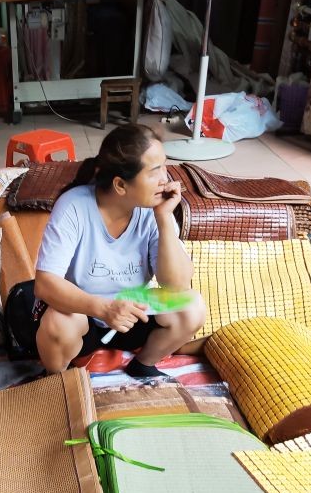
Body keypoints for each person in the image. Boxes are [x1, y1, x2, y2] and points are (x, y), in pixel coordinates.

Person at [32, 123, 206, 377]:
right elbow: (45, 285)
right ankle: (57, 378)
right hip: (85, 315)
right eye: (154, 171)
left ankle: (143, 364)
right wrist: (103, 309)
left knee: (192, 306)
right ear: (120, 185)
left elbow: (178, 285)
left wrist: (165, 219)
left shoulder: (152, 210)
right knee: (58, 323)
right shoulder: (74, 207)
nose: (165, 179)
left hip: (132, 314)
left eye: (164, 166)